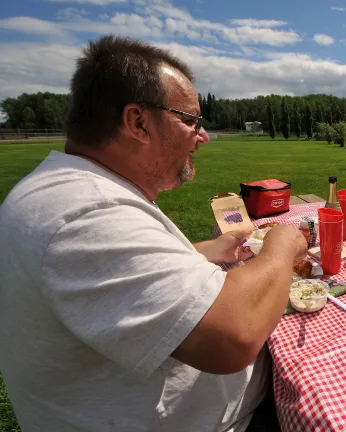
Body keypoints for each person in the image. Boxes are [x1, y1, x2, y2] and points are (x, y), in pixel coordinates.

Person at [0, 35, 306, 432]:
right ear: (138, 122)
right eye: (191, 120)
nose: (203, 136)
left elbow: (120, 274)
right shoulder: (84, 213)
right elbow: (235, 337)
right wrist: (281, 243)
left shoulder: (68, 193)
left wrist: (205, 250)